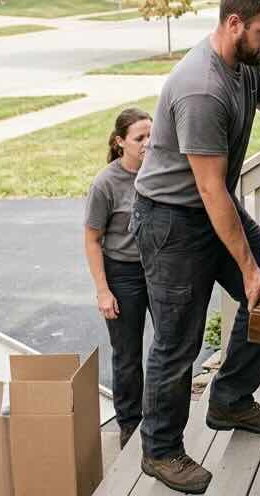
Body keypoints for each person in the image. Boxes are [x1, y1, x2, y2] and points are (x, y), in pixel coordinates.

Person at [131, 0, 260, 494]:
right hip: (172, 220)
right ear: (233, 22)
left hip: (208, 207)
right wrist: (247, 267)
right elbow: (211, 191)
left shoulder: (245, 65)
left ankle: (230, 400)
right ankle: (160, 451)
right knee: (179, 341)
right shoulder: (201, 88)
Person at [84, 107, 153, 450]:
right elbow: (92, 240)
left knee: (172, 343)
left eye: (151, 136)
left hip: (158, 269)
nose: (147, 143)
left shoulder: (160, 172)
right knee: (127, 354)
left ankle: (161, 416)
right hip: (122, 274)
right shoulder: (105, 184)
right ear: (120, 142)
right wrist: (103, 291)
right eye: (140, 138)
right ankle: (130, 423)